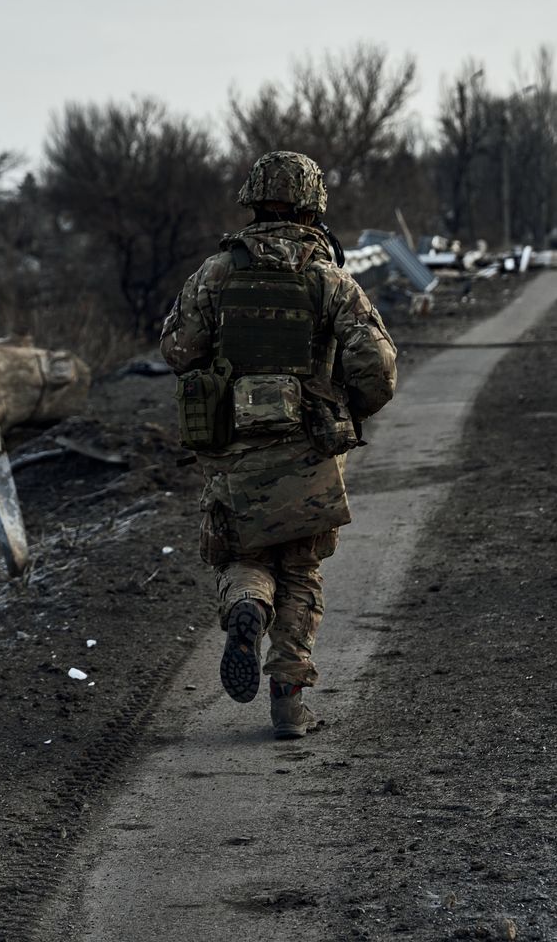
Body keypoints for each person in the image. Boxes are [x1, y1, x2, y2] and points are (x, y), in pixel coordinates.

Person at [160, 151, 397, 739]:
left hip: (231, 446)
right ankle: (289, 701)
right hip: (308, 445)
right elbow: (379, 367)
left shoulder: (215, 274)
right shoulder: (328, 278)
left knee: (245, 555)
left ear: (253, 199)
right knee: (301, 567)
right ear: (312, 204)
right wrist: (347, 406)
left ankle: (247, 608)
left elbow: (177, 351)